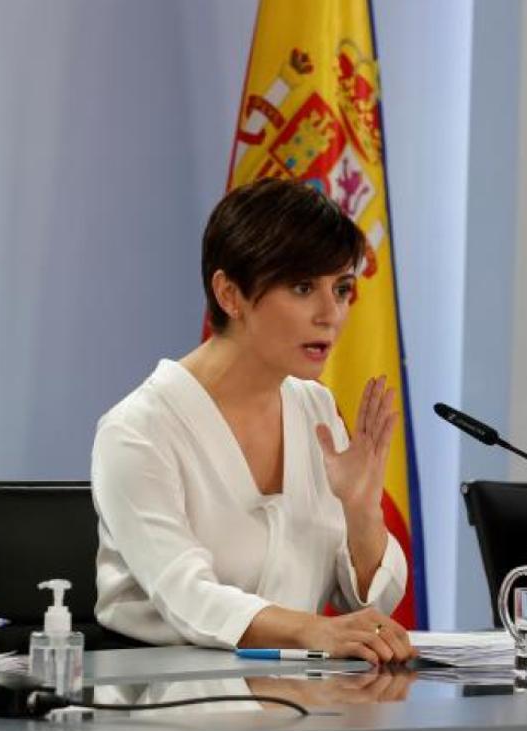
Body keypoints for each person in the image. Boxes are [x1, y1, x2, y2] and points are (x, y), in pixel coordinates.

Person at [92, 178, 414, 664]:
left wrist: (362, 511)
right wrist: (314, 632)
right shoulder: (138, 429)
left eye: (342, 289)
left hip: (299, 700)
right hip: (165, 703)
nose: (331, 314)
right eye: (304, 287)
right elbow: (186, 596)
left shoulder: (316, 410)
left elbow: (368, 607)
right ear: (230, 293)